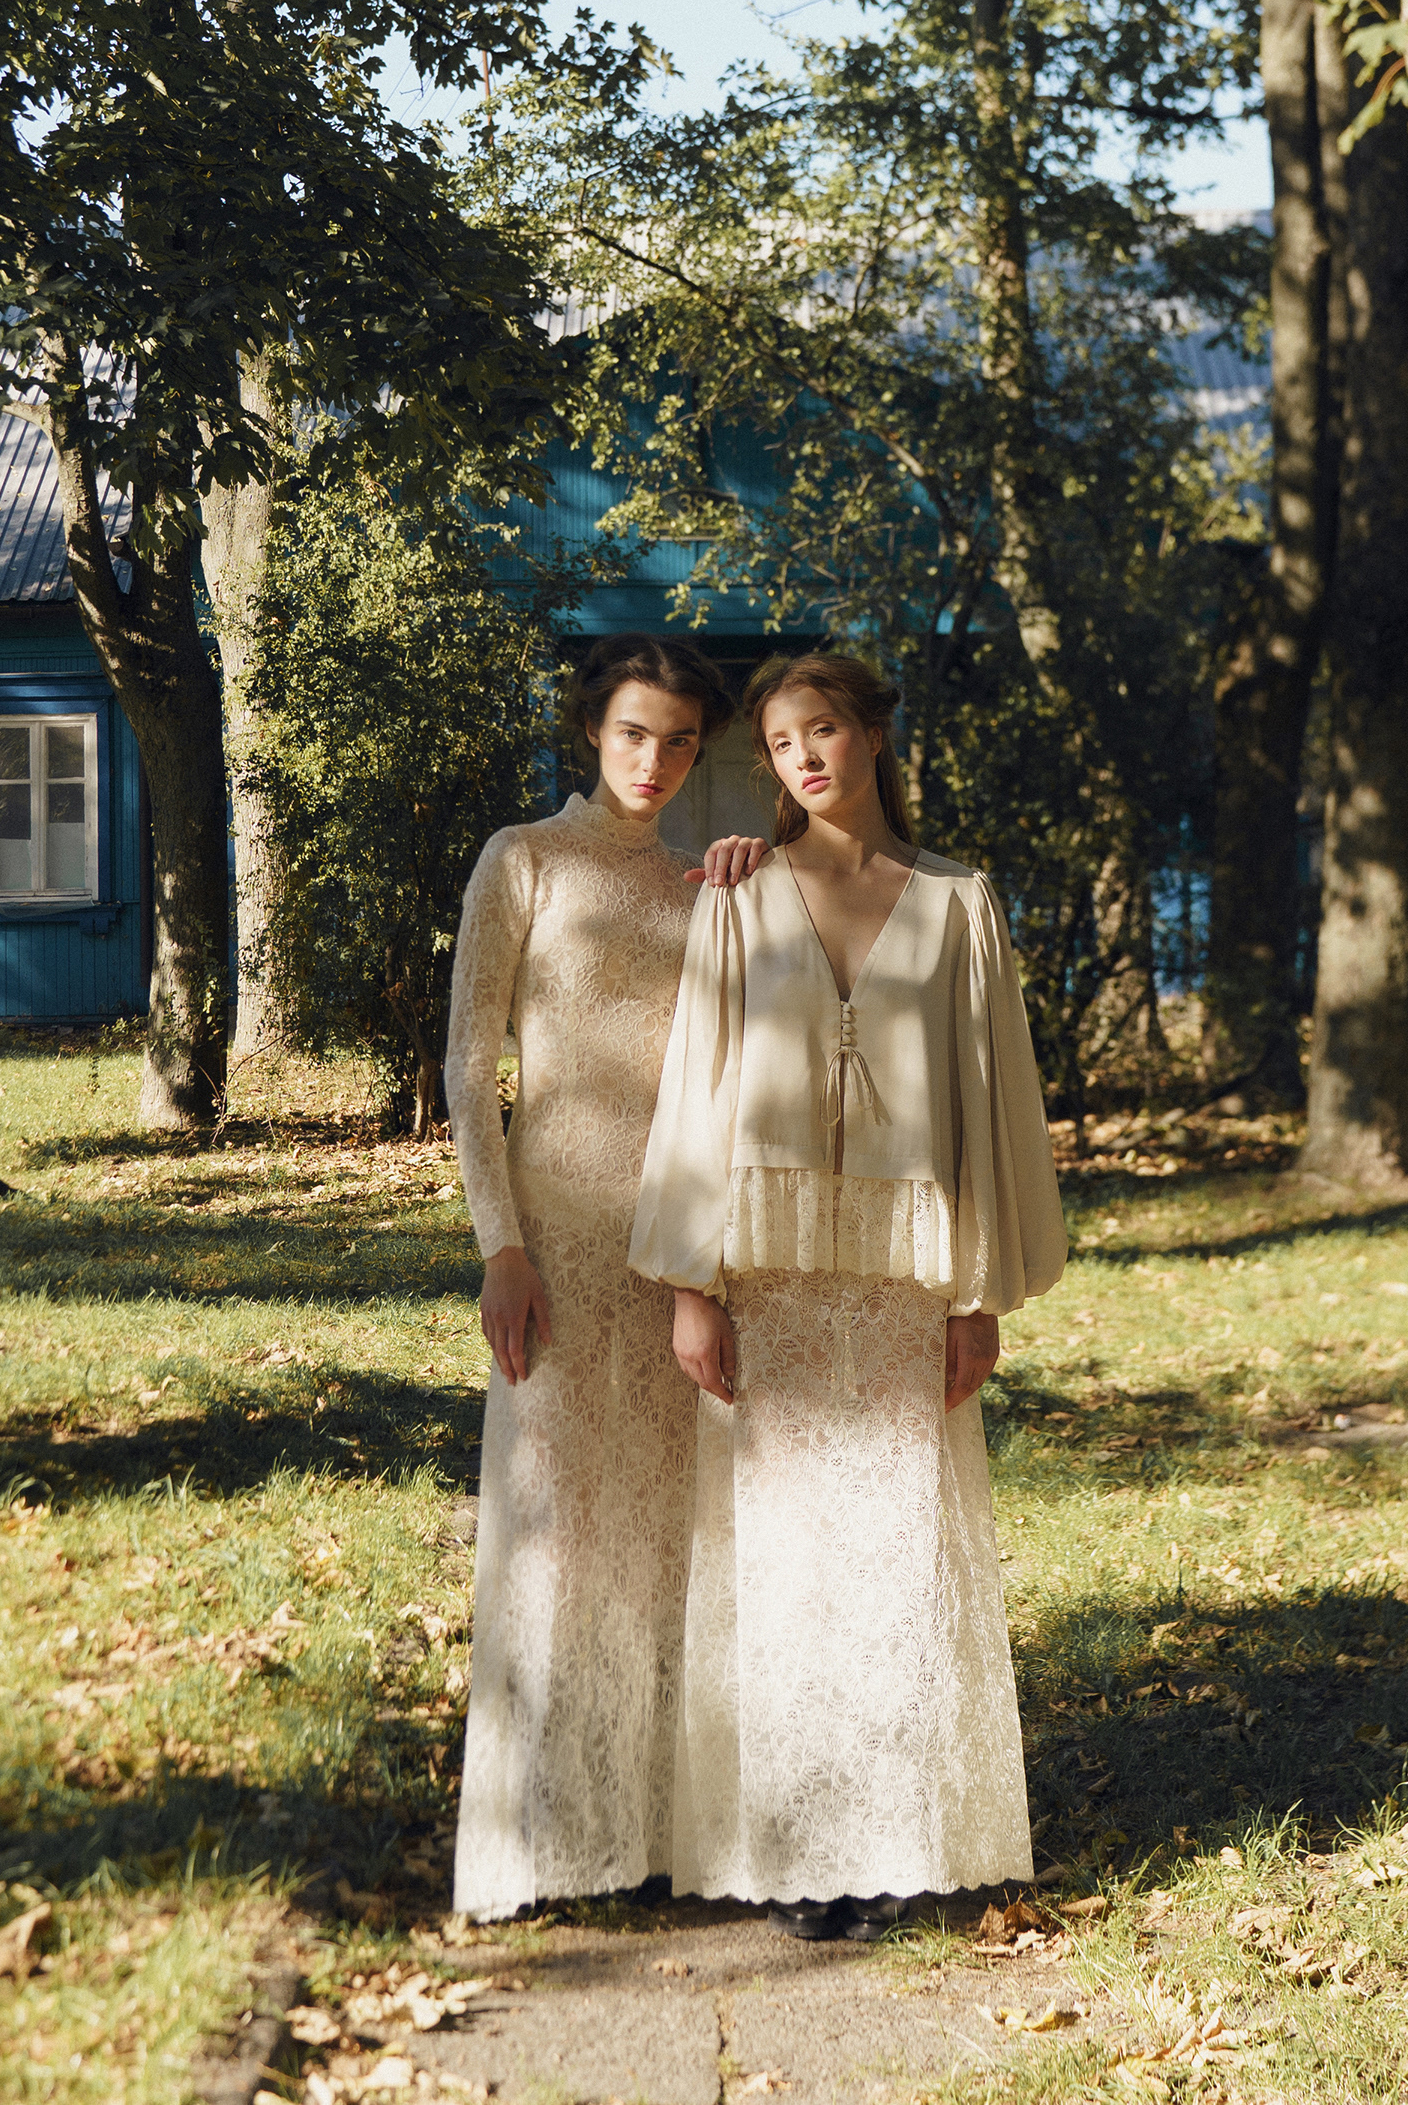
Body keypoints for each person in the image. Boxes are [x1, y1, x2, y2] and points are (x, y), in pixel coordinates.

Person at [628, 651, 1066, 1939]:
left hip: (897, 1283)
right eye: (779, 742)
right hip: (766, 1278)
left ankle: (886, 1841)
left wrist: (976, 1298)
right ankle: (788, 1843)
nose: (804, 756)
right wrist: (691, 1284)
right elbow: (697, 1089)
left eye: (821, 729)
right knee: (778, 1563)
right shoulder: (737, 894)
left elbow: (991, 1105)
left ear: (872, 734)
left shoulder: (957, 902)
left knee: (888, 1560)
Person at [445, 634, 765, 1920]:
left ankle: (666, 1829)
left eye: (680, 741)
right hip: (556, 1245)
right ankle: (545, 1837)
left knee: (671, 1532)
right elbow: (470, 1064)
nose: (655, 760)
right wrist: (500, 1245)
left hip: (679, 1245)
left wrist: (751, 876)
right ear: (593, 729)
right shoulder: (522, 859)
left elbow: (740, 1071)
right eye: (635, 732)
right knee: (558, 1531)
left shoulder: (706, 885)